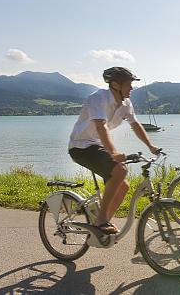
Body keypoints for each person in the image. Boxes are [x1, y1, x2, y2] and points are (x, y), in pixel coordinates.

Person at [68, 67, 161, 234]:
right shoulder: (97, 98)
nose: (132, 88)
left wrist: (151, 146)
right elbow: (101, 127)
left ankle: (101, 224)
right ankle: (101, 220)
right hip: (81, 147)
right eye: (129, 84)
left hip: (96, 145)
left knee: (123, 186)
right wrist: (113, 153)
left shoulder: (125, 103)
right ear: (116, 85)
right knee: (120, 171)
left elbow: (135, 125)